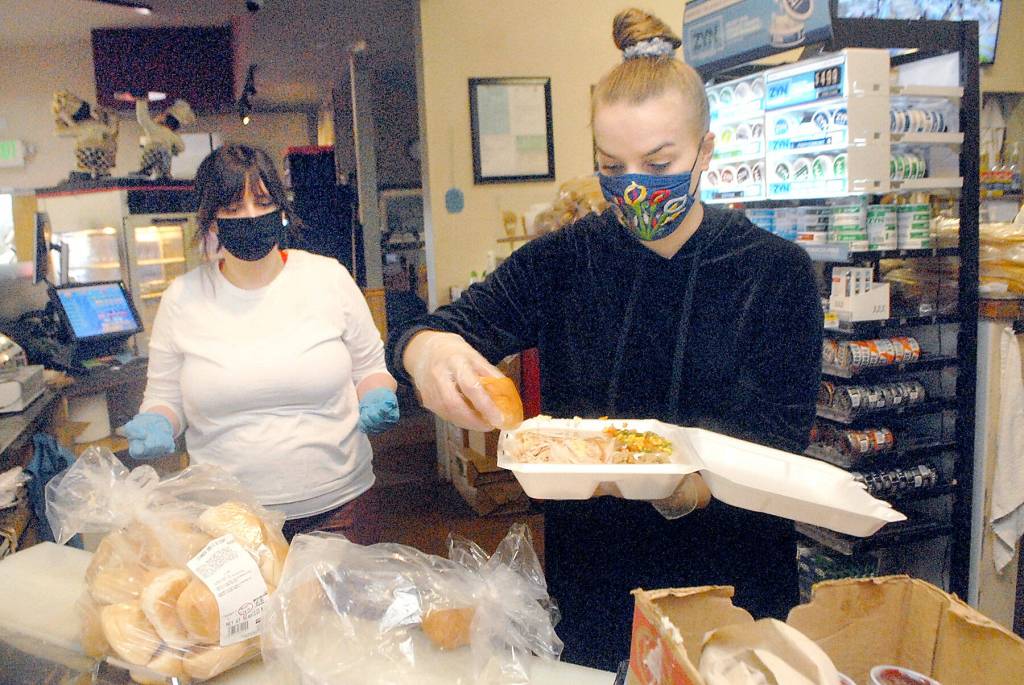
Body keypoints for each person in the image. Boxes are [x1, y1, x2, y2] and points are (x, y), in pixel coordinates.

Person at [387, 9, 822, 671]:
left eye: (659, 160)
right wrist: (428, 350)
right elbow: (434, 329)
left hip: (734, 585)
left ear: (705, 151)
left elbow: (780, 435)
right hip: (598, 587)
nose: (635, 184)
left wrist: (689, 484)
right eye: (611, 165)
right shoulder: (563, 260)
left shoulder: (774, 271)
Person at [121, 144, 399, 543]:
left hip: (340, 504)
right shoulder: (182, 298)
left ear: (281, 207)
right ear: (211, 218)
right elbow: (166, 396)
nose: (250, 217)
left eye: (263, 201)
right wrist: (159, 421)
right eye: (233, 207)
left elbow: (370, 368)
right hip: (228, 519)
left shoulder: (328, 278)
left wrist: (376, 395)